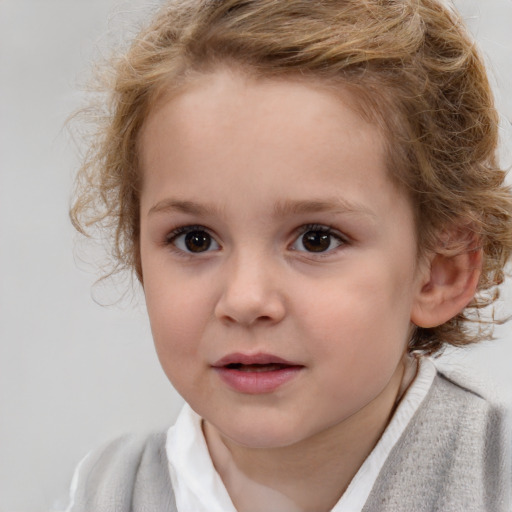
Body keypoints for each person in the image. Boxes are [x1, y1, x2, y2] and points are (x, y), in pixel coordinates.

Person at [67, 0, 512, 510]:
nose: (245, 299)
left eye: (316, 239)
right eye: (195, 239)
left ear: (439, 271)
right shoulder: (105, 489)